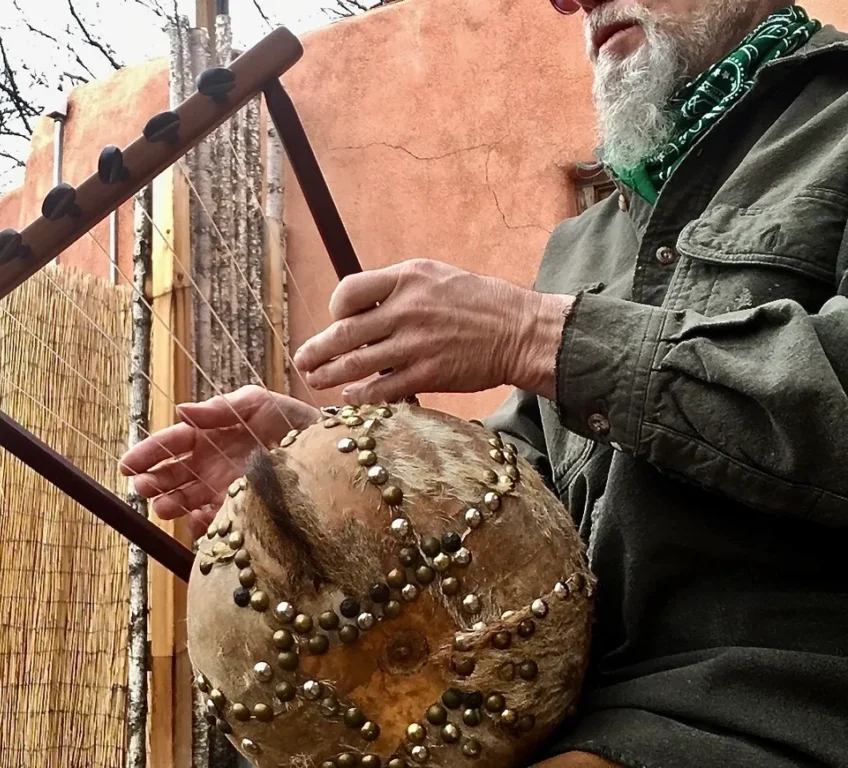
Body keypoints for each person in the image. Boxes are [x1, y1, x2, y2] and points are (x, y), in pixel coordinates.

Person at [121, 0, 848, 765]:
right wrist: (332, 487)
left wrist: (537, 336)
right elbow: (526, 502)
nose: (570, 2)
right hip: (573, 711)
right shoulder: (591, 237)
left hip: (784, 706)